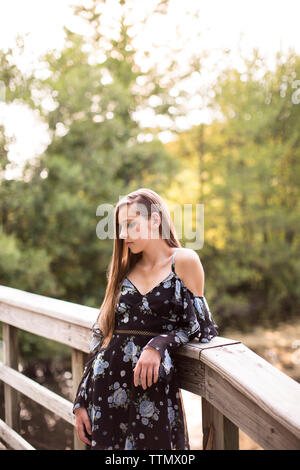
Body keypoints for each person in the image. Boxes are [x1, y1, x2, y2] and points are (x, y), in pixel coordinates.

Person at [73, 188, 218, 450]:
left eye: (130, 224)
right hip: (104, 394)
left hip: (151, 395)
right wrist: (81, 400)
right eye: (120, 227)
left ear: (154, 220)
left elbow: (200, 329)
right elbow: (100, 336)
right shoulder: (124, 268)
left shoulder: (184, 261)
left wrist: (160, 344)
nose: (123, 234)